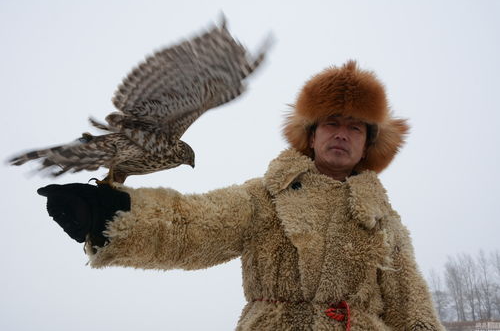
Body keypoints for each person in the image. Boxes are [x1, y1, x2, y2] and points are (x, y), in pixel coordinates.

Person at [38, 60, 444, 330]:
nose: (342, 133)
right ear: (313, 135)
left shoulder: (383, 219)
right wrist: (110, 213)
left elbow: (412, 309)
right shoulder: (266, 197)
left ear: (368, 141)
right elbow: (191, 226)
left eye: (355, 127)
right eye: (332, 123)